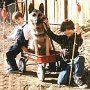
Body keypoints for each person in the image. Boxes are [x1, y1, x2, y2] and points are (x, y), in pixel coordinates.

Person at [43, 19, 88, 88]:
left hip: (74, 61)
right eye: (65, 30)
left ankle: (78, 78)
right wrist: (46, 25)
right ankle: (71, 74)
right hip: (65, 63)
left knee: (80, 58)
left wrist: (79, 33)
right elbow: (52, 35)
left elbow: (79, 43)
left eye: (69, 29)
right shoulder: (62, 38)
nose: (67, 31)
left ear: (73, 29)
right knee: (61, 81)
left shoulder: (76, 37)